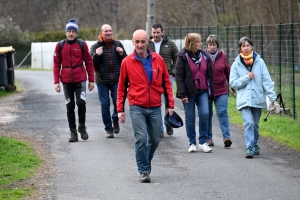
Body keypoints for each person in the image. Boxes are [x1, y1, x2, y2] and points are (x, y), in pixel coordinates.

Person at [117, 29, 174, 183]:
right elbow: (121, 87)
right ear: (132, 42)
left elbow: (167, 83)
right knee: (141, 138)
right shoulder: (127, 62)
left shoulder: (158, 59)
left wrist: (170, 105)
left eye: (143, 41)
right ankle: (143, 170)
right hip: (137, 107)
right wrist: (120, 109)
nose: (140, 45)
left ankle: (145, 161)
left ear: (147, 42)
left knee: (155, 139)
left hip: (155, 106)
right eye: (137, 42)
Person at [229, 37, 277, 158]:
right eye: (243, 46)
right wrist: (246, 77)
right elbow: (233, 83)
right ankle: (249, 147)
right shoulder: (236, 64)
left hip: (257, 98)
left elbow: (266, 80)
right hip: (244, 99)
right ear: (240, 48)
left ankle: (255, 144)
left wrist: (272, 98)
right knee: (248, 123)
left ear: (252, 47)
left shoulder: (260, 62)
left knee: (255, 124)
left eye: (248, 45)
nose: (246, 48)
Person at [53, 18, 95, 142]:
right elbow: (56, 64)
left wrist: (91, 80)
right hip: (66, 80)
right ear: (66, 32)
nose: (71, 33)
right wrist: (56, 82)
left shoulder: (82, 45)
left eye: (73, 31)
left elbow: (89, 62)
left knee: (81, 103)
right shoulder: (60, 46)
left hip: (80, 79)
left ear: (76, 33)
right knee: (69, 106)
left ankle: (82, 126)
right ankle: (73, 132)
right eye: (69, 31)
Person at [175, 33, 214, 153]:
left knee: (205, 114)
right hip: (189, 92)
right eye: (198, 42)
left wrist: (210, 92)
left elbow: (209, 76)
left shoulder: (204, 56)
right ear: (192, 44)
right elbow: (179, 76)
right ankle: (192, 142)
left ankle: (203, 142)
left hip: (202, 91)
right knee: (190, 117)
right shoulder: (182, 56)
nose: (201, 44)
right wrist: (182, 94)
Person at [90, 24, 127, 138]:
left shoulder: (118, 44)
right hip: (102, 81)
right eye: (106, 31)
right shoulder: (95, 46)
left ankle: (115, 119)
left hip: (117, 79)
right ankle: (108, 128)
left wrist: (122, 54)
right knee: (105, 105)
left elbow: (126, 61)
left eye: (110, 31)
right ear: (101, 33)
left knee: (118, 102)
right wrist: (97, 55)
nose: (108, 33)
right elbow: (91, 64)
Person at [147, 23, 178, 138]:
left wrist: (173, 72)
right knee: (156, 103)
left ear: (162, 32)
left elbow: (177, 58)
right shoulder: (147, 44)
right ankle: (159, 128)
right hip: (152, 77)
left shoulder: (170, 44)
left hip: (167, 76)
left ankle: (168, 122)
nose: (156, 35)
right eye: (154, 32)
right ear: (151, 33)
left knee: (168, 101)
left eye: (158, 32)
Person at [204, 34, 233, 147]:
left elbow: (227, 71)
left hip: (221, 89)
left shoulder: (223, 56)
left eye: (214, 44)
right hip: (207, 90)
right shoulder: (203, 56)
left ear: (217, 45)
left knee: (222, 112)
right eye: (210, 45)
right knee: (207, 114)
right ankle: (209, 137)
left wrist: (232, 85)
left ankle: (226, 137)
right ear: (207, 45)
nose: (212, 47)